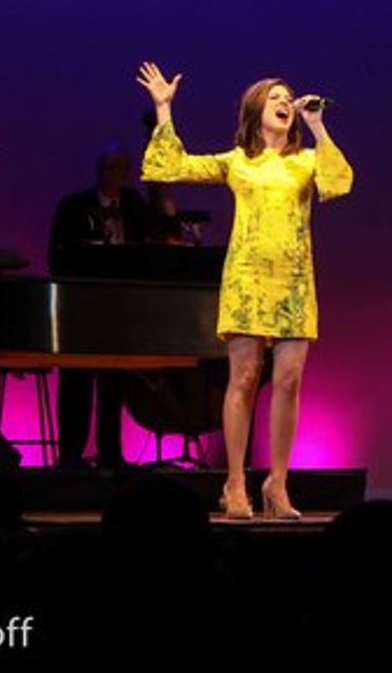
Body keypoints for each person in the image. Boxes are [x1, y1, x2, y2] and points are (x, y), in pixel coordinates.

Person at [136, 63, 352, 518]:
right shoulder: (238, 161)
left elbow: (339, 182)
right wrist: (163, 109)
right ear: (256, 110)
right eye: (275, 97)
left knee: (290, 381)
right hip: (248, 279)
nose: (283, 103)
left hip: (294, 282)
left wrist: (317, 125)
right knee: (246, 378)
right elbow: (170, 166)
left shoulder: (306, 161)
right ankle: (235, 483)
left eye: (287, 97)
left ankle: (278, 482)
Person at [49, 148, 153, 469]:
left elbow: (154, 245)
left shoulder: (134, 206)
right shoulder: (74, 206)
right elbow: (57, 256)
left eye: (118, 168)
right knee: (76, 383)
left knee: (114, 386)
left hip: (120, 309)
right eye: (106, 167)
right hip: (81, 308)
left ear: (126, 173)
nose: (111, 174)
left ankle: (111, 454)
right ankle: (70, 455)